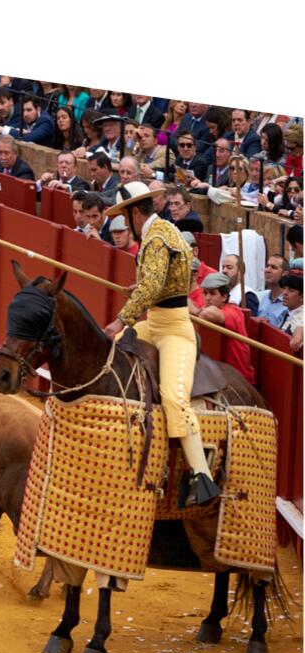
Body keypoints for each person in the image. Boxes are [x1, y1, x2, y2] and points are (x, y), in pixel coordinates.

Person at [103, 181, 222, 507]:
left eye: (126, 220)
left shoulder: (156, 238)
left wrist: (122, 319)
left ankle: (202, 476)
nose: (126, 226)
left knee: (173, 396)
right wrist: (141, 289)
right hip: (154, 322)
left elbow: (153, 286)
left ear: (134, 214)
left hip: (173, 330)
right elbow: (165, 282)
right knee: (111, 350)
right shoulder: (165, 231)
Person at [192, 273, 256, 385]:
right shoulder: (211, 308)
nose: (207, 298)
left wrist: (196, 312)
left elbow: (207, 315)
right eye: (205, 293)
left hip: (240, 382)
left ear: (224, 297)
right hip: (221, 376)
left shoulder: (234, 311)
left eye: (212, 293)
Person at [257, 255, 290, 327]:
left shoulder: (289, 302)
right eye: (267, 266)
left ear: (285, 274)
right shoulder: (264, 298)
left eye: (273, 267)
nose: (267, 270)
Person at [278, 271, 303, 351]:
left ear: (302, 297)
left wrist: (300, 329)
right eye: (284, 288)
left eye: (291, 290)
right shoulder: (288, 312)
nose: (284, 293)